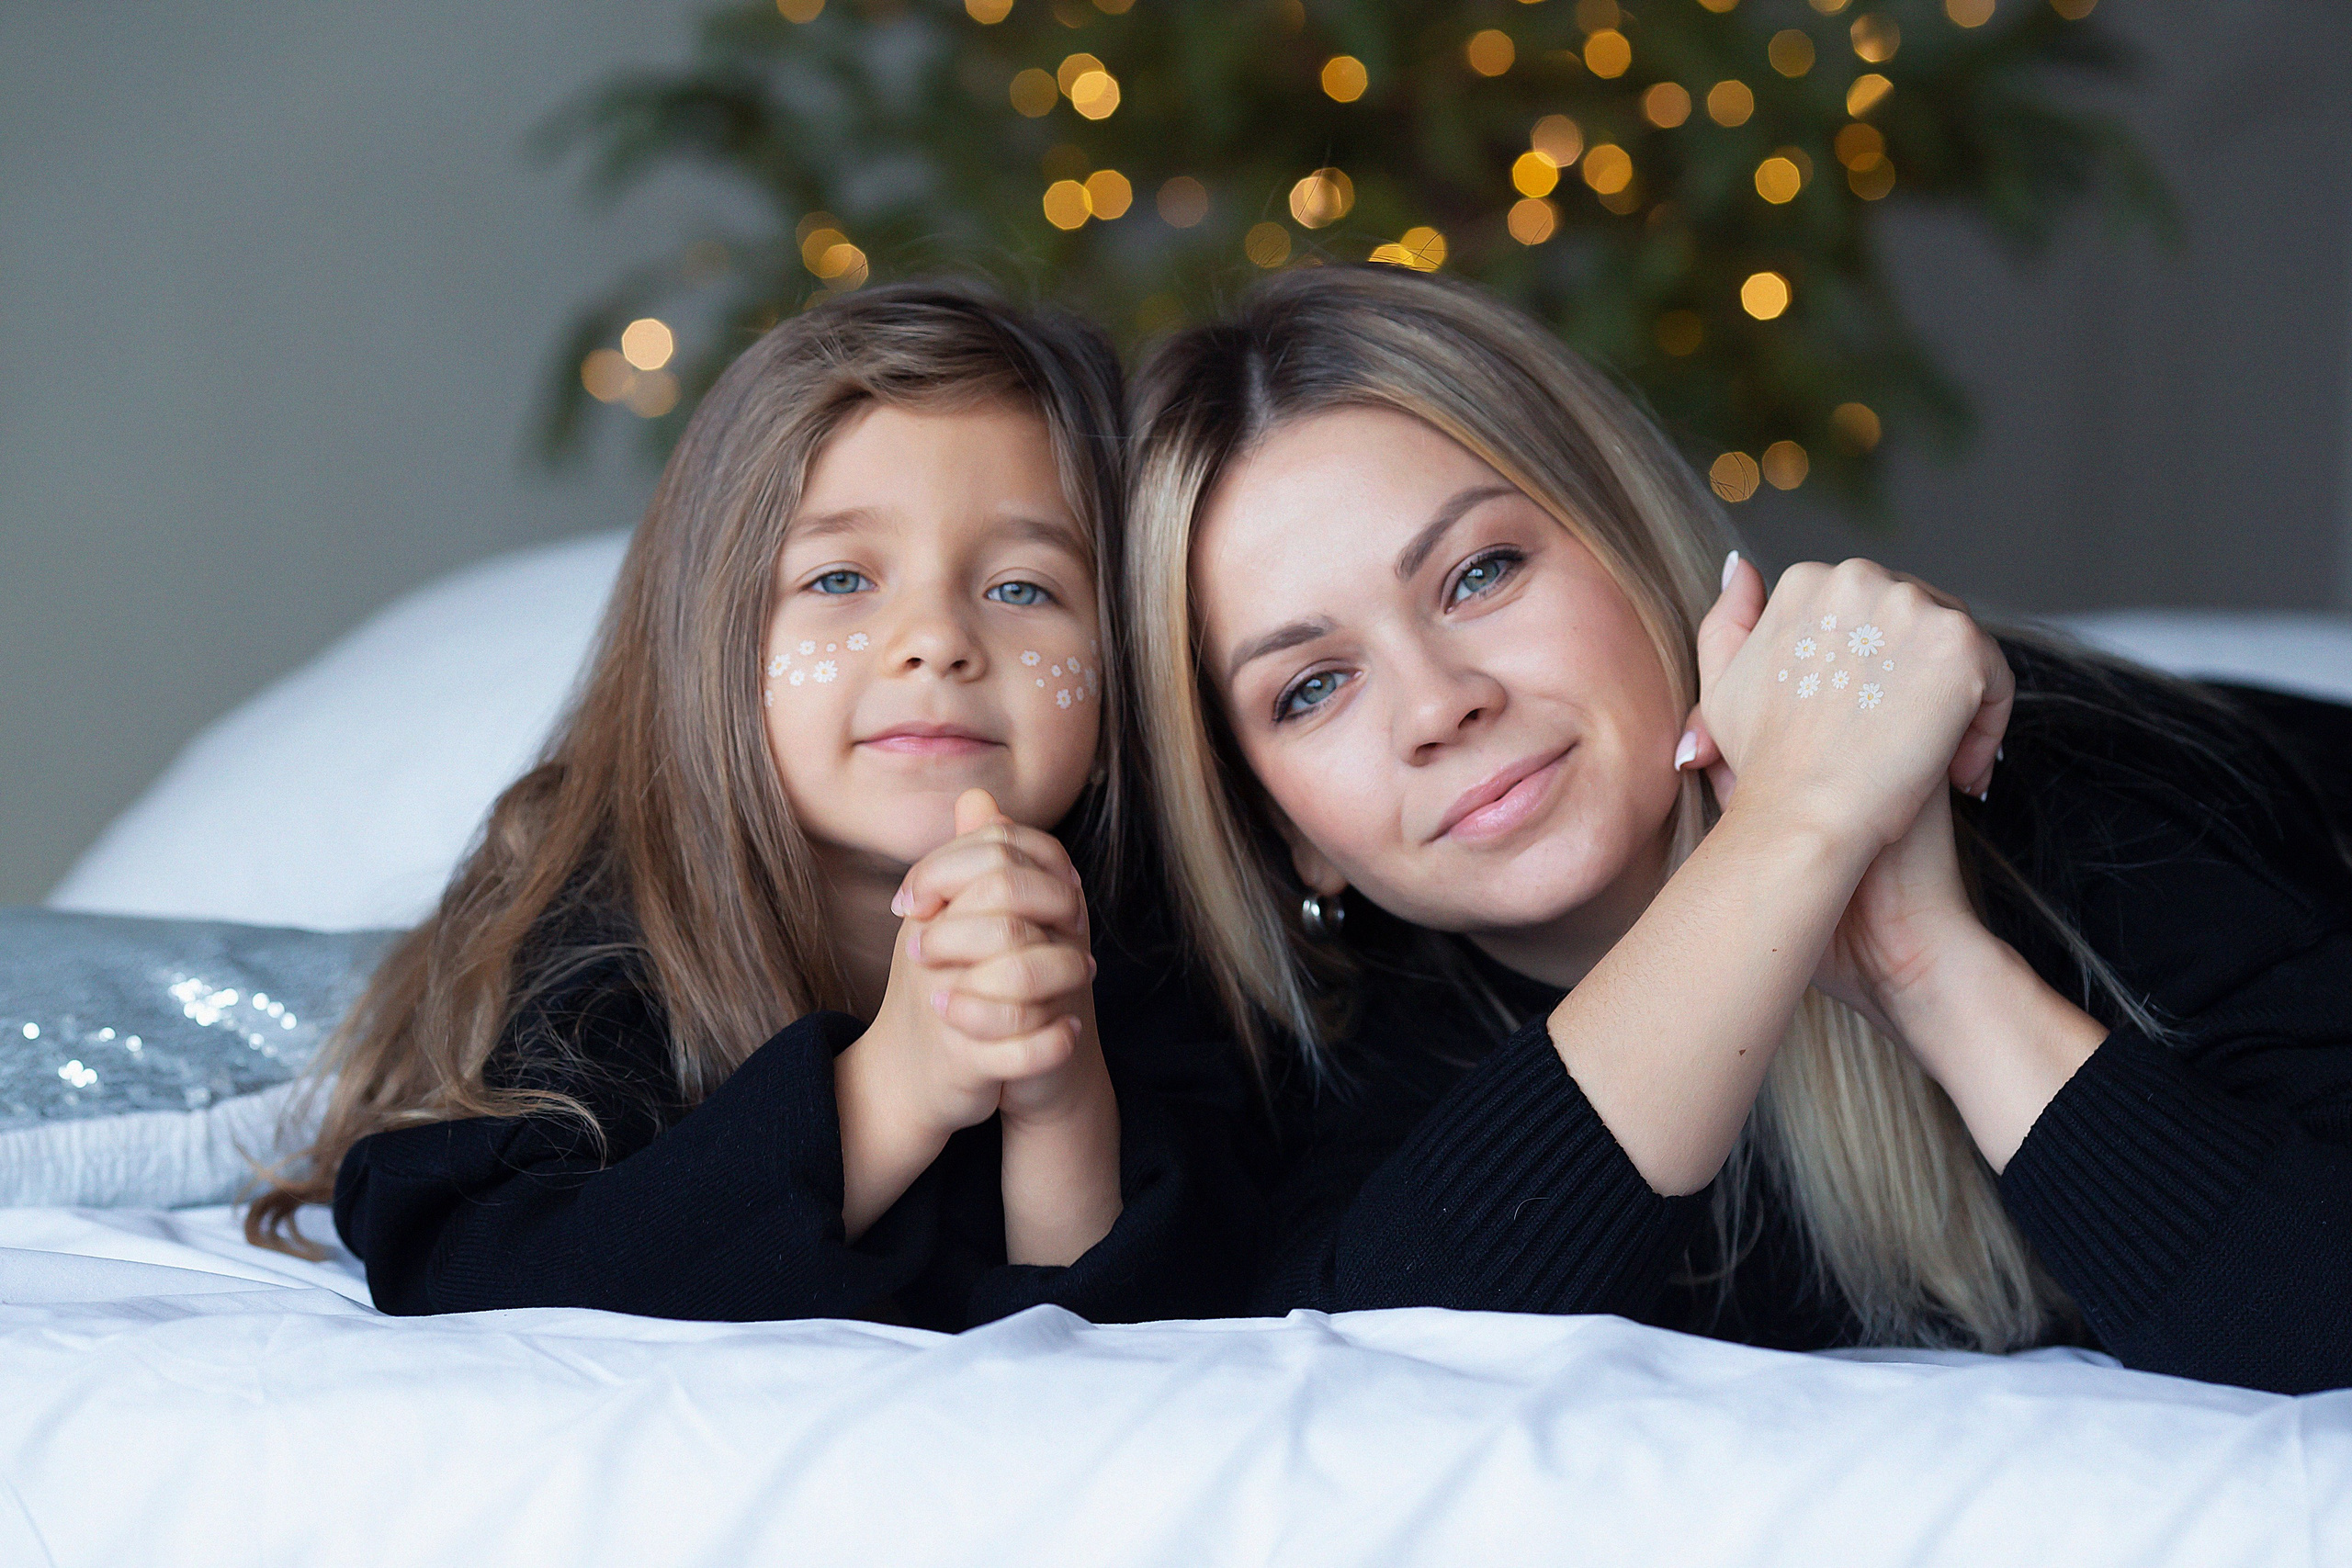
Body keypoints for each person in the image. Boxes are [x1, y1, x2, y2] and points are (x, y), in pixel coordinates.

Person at [1123, 265, 2352, 1393]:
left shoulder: (2048, 785)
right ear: (1293, 837)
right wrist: (1793, 838)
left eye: (1480, 572)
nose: (1441, 703)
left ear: (1630, 540)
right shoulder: (1331, 1069)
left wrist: (1925, 962)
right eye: (1310, 687)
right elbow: (1379, 1387)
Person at [247, 282, 1259, 1328]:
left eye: (1020, 589)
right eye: (837, 580)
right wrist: (892, 1090)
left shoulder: (1157, 956)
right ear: (711, 646)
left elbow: (1156, 1351)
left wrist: (1059, 1099)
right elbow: (481, 1273)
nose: (935, 637)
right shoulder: (599, 945)